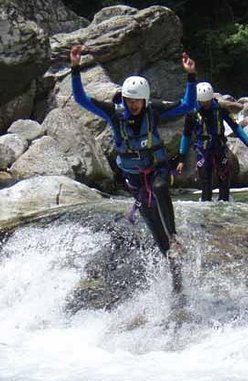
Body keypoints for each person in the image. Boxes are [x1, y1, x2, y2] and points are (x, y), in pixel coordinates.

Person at [69, 45, 196, 266]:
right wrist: (75, 69)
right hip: (134, 180)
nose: (133, 104)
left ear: (145, 100)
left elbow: (188, 104)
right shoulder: (114, 114)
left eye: (137, 101)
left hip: (158, 170)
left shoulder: (153, 111)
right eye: (129, 100)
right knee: (156, 232)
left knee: (159, 188)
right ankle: (175, 275)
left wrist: (191, 76)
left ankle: (174, 237)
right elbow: (81, 99)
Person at [177, 82, 248, 201]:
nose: (206, 104)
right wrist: (181, 159)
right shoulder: (192, 113)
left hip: (219, 147)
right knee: (206, 182)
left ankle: (225, 204)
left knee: (224, 179)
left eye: (208, 101)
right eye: (203, 102)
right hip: (203, 150)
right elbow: (186, 136)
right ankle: (206, 208)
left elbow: (235, 127)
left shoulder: (220, 108)